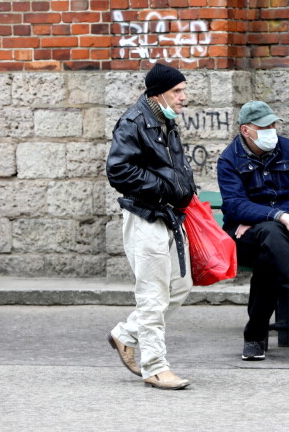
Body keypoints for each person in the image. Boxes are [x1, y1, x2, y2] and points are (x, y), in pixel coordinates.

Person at [105, 62, 197, 389]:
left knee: (181, 286)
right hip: (146, 216)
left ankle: (125, 334)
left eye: (183, 90)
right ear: (158, 93)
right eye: (178, 91)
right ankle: (155, 367)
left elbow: (172, 167)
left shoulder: (164, 120)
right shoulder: (134, 122)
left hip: (168, 216)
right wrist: (166, 188)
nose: (184, 97)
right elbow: (118, 171)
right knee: (153, 295)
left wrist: (183, 188)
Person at [217, 100, 289, 361]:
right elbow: (233, 206)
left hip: (285, 239)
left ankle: (254, 336)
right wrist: (283, 216)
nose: (272, 130)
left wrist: (259, 216)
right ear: (246, 130)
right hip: (245, 241)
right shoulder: (229, 159)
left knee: (270, 250)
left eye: (274, 124)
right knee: (269, 236)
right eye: (264, 126)